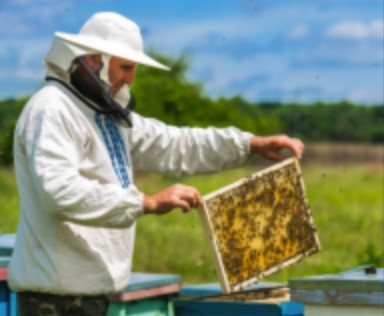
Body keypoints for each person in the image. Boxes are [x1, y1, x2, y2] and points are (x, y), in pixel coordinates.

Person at [8, 12, 304, 316]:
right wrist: (145, 202)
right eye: (126, 67)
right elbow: (59, 193)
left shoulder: (106, 116)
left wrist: (249, 144)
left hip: (91, 296)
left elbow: (175, 144)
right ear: (95, 59)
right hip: (56, 301)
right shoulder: (52, 109)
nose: (130, 79)